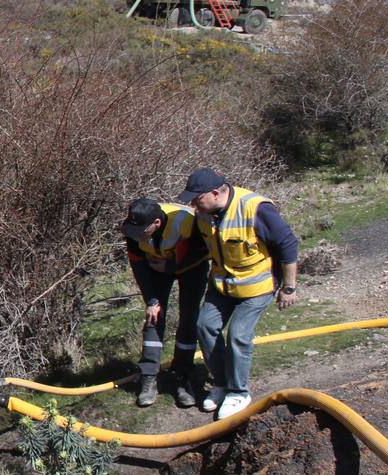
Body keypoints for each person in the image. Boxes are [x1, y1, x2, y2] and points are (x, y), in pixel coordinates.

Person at [179, 168, 299, 420]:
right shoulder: (203, 214)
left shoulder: (255, 208)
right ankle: (221, 384)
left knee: (238, 335)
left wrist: (288, 287)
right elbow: (200, 247)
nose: (192, 203)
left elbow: (288, 243)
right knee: (204, 326)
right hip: (222, 286)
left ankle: (238, 392)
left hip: (256, 288)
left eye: (196, 197)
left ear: (214, 192)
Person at [122, 198, 210, 407]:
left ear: (156, 224)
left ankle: (182, 376)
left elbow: (204, 251)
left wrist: (171, 266)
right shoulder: (134, 229)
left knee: (189, 317)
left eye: (142, 231)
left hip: (191, 266)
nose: (136, 236)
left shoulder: (188, 223)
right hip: (157, 266)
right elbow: (138, 266)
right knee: (154, 316)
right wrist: (151, 300)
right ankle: (149, 377)